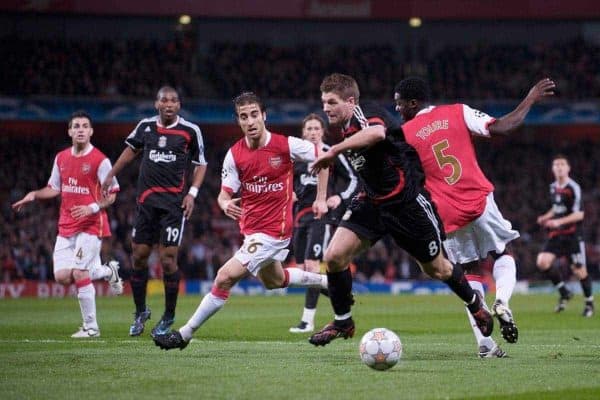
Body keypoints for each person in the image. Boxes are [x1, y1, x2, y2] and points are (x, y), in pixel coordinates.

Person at [307, 73, 493, 347]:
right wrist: (322, 195)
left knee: (437, 269)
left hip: (406, 205)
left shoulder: (365, 113)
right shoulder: (342, 128)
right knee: (334, 256)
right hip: (372, 202)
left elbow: (376, 133)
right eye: (323, 102)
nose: (325, 108)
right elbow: (328, 162)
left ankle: (474, 302)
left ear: (350, 100)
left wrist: (335, 150)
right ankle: (343, 322)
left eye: (331, 102)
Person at [153, 92, 331, 350]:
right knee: (274, 281)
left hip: (275, 232)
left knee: (224, 277)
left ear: (264, 116)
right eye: (244, 117)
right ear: (238, 121)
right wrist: (225, 204)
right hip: (252, 231)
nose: (250, 121)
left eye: (254, 115)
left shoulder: (286, 145)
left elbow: (325, 158)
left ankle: (183, 335)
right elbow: (224, 195)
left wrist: (322, 197)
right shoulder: (234, 154)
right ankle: (324, 281)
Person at [394, 77, 555, 357]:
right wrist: (529, 98)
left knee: (468, 273)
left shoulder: (404, 135)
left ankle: (485, 345)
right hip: (477, 199)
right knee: (503, 253)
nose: (396, 109)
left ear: (412, 103)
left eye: (398, 103)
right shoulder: (458, 111)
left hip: (445, 212)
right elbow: (504, 127)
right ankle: (502, 301)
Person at [101, 86, 208, 337]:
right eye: (164, 100)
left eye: (173, 100)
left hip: (173, 205)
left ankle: (169, 315)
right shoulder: (145, 127)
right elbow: (130, 151)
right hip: (146, 204)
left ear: (179, 105)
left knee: (168, 259)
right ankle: (140, 312)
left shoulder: (190, 130)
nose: (168, 104)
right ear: (156, 103)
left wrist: (192, 194)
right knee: (138, 256)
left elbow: (201, 163)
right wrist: (110, 174)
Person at [12, 110, 122, 338]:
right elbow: (54, 188)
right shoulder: (61, 158)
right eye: (76, 126)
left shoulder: (100, 161)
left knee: (80, 273)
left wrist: (91, 207)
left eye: (85, 126)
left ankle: (91, 328)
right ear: (70, 131)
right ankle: (106, 271)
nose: (81, 129)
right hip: (66, 225)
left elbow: (112, 194)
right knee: (62, 277)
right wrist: (34, 194)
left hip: (91, 224)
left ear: (91, 131)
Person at [289, 113, 359, 333]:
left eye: (316, 129)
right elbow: (287, 180)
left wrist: (340, 197)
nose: (312, 132)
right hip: (300, 217)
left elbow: (354, 179)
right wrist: (290, 193)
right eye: (308, 129)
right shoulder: (296, 157)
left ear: (323, 131)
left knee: (312, 265)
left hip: (322, 216)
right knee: (303, 271)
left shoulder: (331, 153)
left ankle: (307, 321)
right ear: (303, 133)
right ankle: (338, 289)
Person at [536, 155, 594, 317]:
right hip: (557, 234)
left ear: (568, 168)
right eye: (556, 164)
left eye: (562, 164)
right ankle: (564, 292)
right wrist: (546, 217)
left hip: (572, 235)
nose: (559, 167)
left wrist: (558, 222)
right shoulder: (553, 187)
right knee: (542, 262)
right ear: (553, 168)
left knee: (579, 271)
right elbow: (557, 208)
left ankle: (589, 303)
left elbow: (579, 215)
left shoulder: (573, 187)